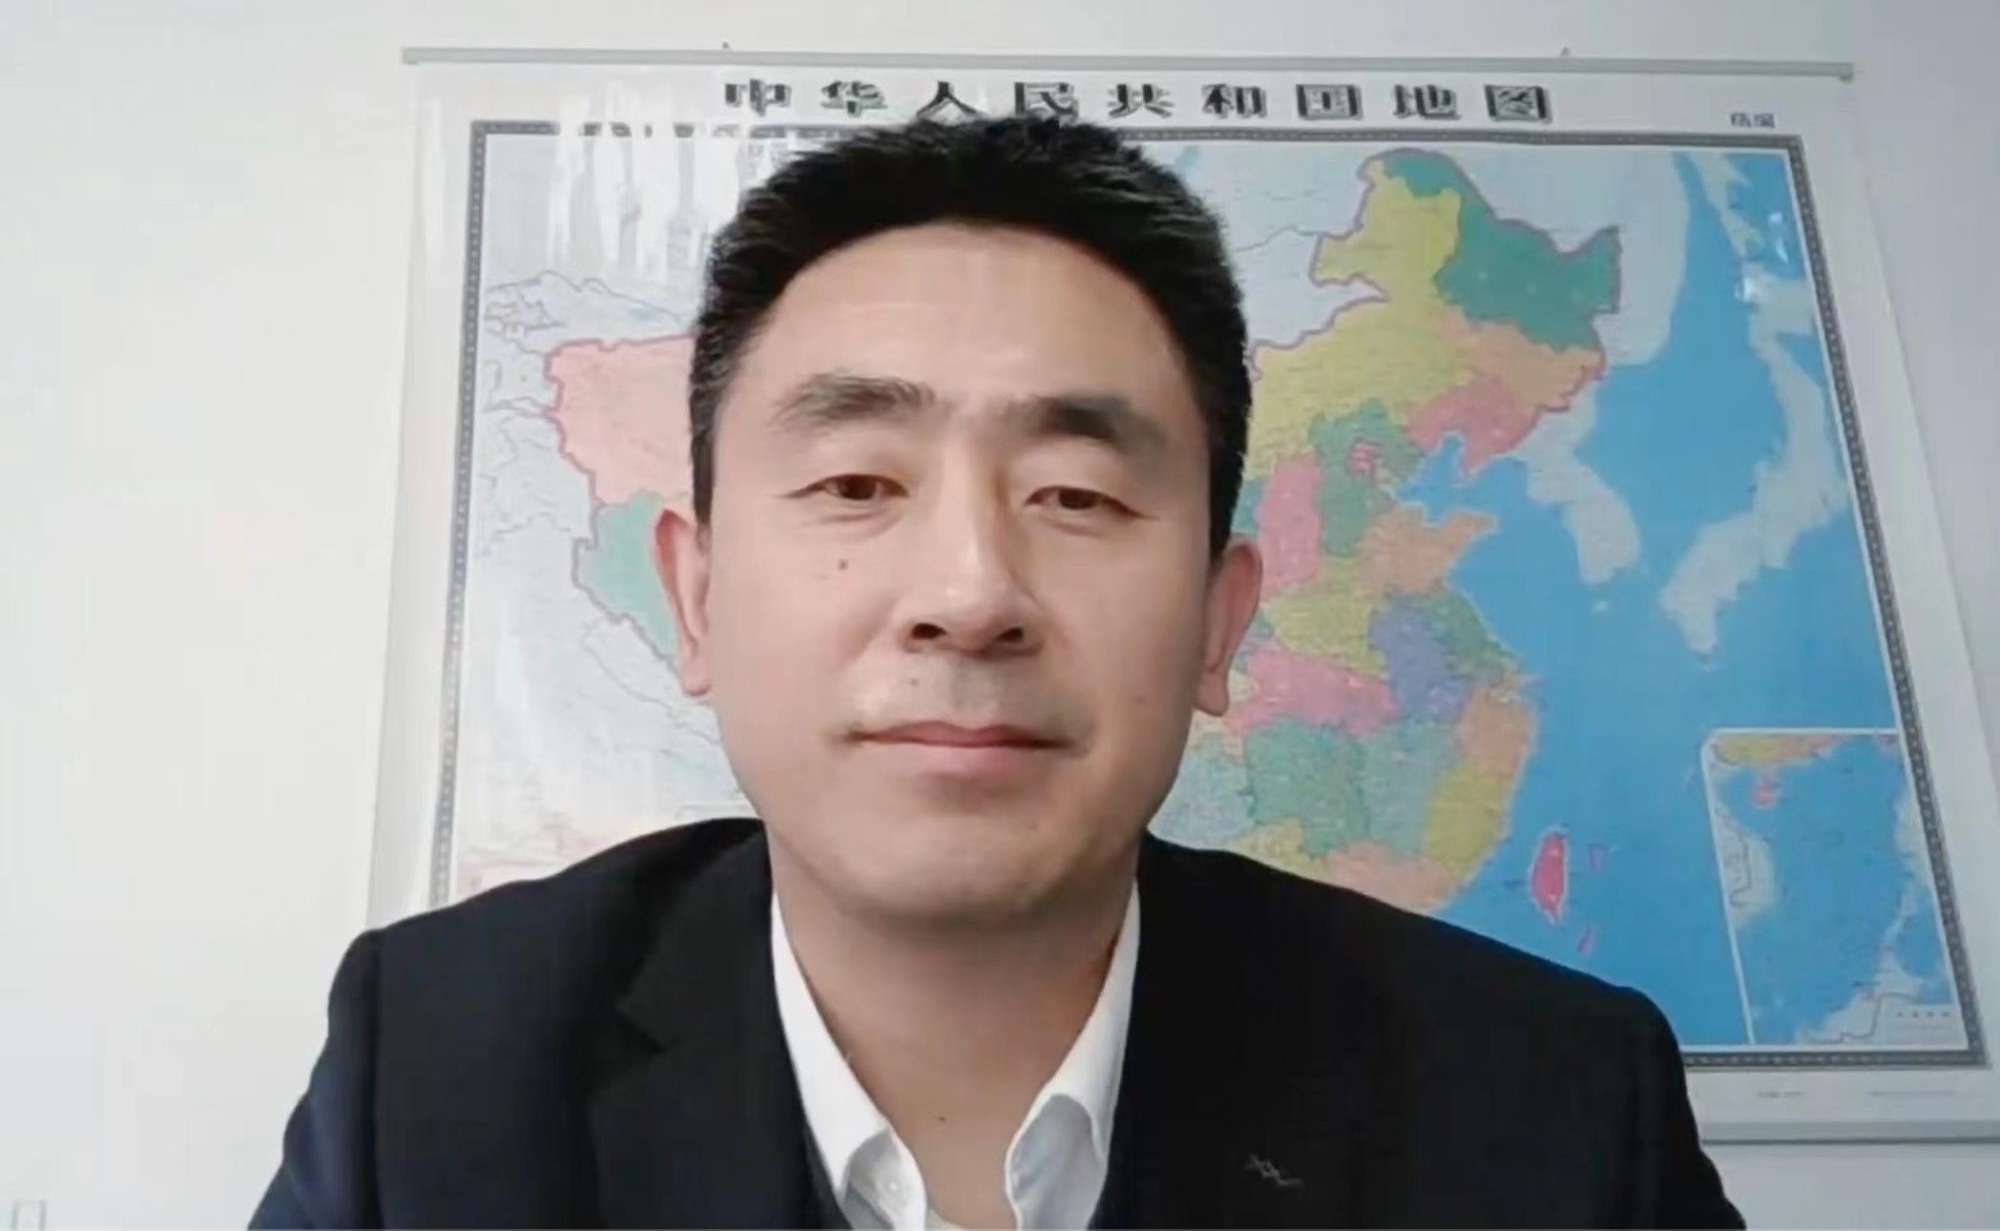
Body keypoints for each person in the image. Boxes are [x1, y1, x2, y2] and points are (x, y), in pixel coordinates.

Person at [252, 116, 1742, 1229]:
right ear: (695, 598)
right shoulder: (438, 1072)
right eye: (856, 484)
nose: (968, 597)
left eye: (1076, 494)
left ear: (1218, 621)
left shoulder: (1549, 1108)